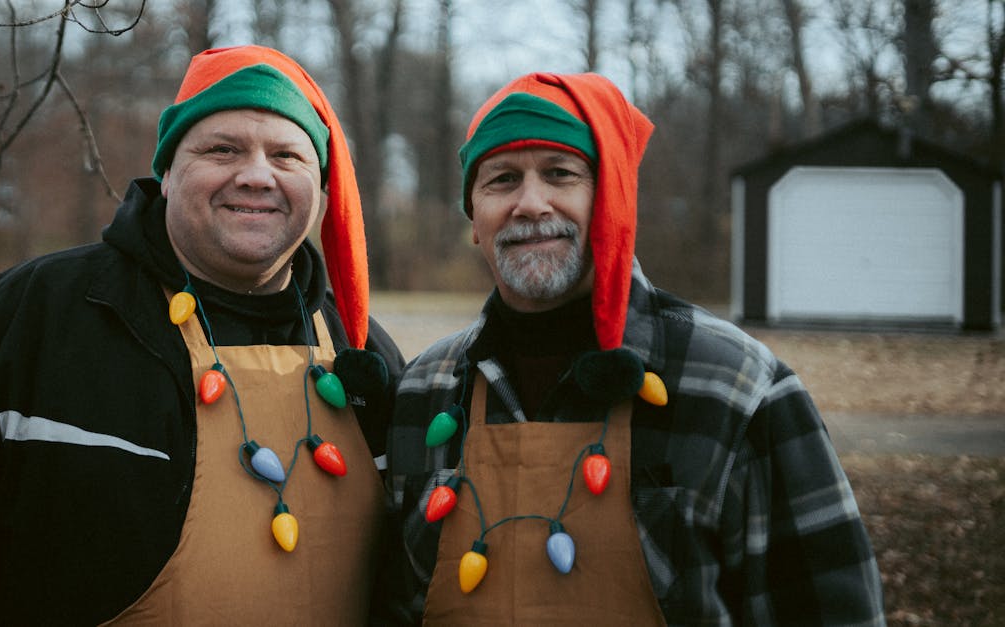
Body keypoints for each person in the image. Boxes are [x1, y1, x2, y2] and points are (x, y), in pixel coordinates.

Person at [0, 45, 404, 625]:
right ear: (168, 174)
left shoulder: (363, 356)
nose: (256, 175)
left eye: (287, 156)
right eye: (222, 149)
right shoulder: (31, 319)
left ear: (320, 190)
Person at [376, 72, 885, 625]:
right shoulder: (425, 391)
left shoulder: (738, 388)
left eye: (560, 174)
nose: (530, 203)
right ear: (473, 217)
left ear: (612, 197)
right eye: (500, 180)